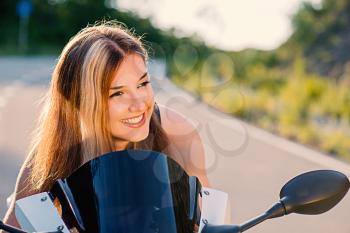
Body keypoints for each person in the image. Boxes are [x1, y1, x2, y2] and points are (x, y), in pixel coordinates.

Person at [1, 22, 210, 230]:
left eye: (142, 84)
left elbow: (211, 217)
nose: (139, 105)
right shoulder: (55, 151)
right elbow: (13, 227)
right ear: (82, 102)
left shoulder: (177, 133)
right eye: (117, 93)